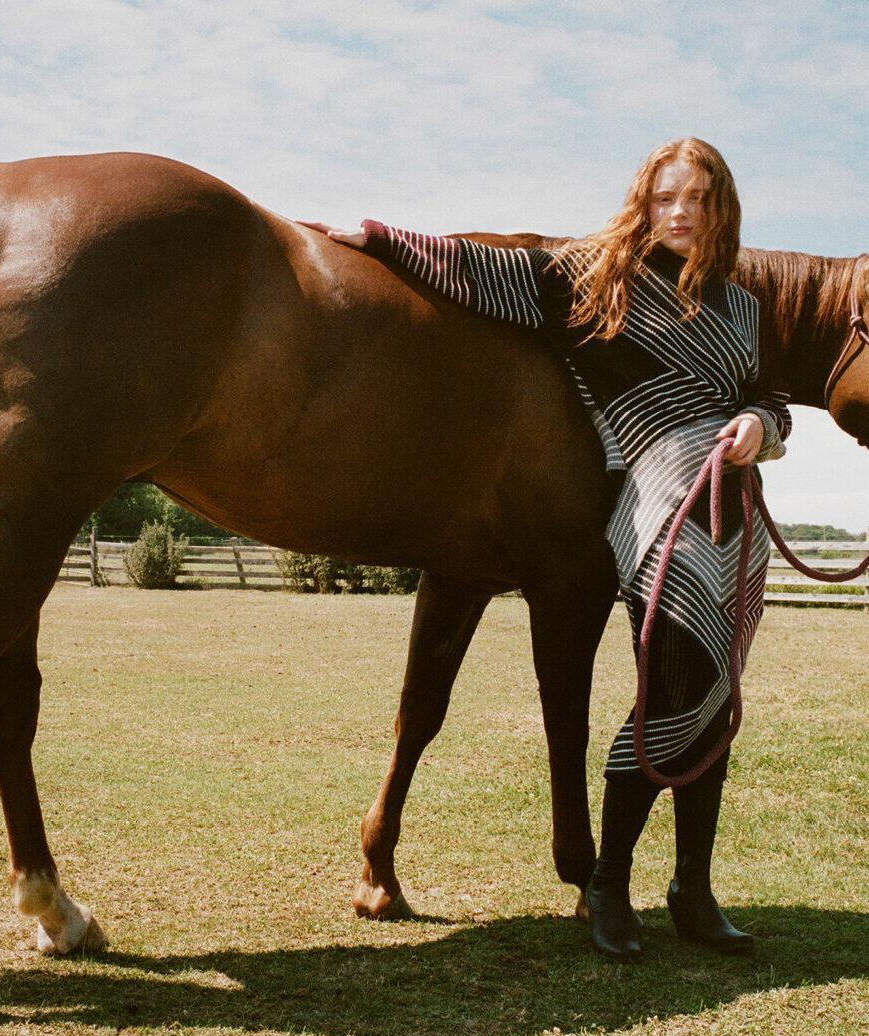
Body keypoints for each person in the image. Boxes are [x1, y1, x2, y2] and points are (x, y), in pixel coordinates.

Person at [299, 137, 789, 960]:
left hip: (732, 512)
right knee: (671, 681)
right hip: (651, 500)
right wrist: (381, 238)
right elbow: (489, 273)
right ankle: (608, 883)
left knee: (714, 694)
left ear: (720, 210)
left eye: (698, 200)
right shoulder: (599, 285)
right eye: (667, 197)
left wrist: (762, 426)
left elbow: (769, 395)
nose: (681, 213)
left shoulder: (741, 310)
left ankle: (694, 891)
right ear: (645, 203)